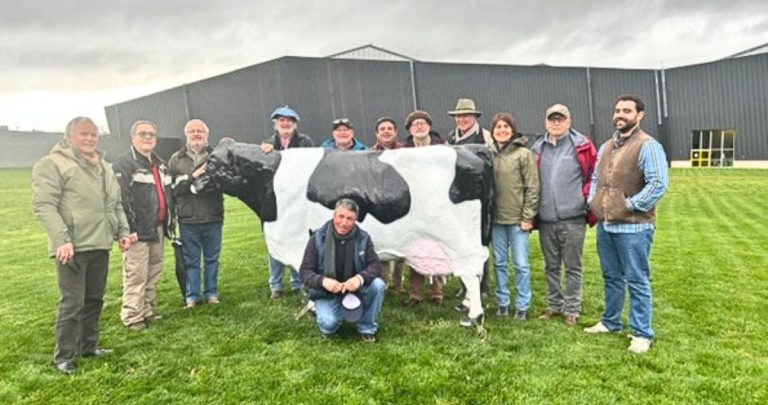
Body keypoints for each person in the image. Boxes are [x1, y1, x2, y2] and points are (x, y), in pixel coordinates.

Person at [32, 116, 132, 374]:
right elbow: (44, 205)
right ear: (69, 137)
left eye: (93, 135)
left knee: (94, 300)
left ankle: (89, 346)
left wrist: (122, 231)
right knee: (72, 303)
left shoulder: (104, 167)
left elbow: (115, 204)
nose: (89, 139)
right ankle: (64, 356)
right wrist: (62, 240)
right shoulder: (53, 164)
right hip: (73, 247)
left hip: (100, 243)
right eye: (83, 134)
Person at [584, 95, 668, 354]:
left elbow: (657, 185)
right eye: (617, 110)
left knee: (637, 279)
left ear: (639, 115)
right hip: (606, 226)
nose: (620, 114)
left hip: (634, 228)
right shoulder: (607, 145)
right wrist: (593, 201)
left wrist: (629, 205)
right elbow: (597, 177)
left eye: (627, 110)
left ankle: (642, 333)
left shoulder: (648, 146)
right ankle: (610, 322)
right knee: (611, 277)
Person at [530, 104, 597, 326]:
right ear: (546, 122)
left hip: (573, 218)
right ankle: (553, 305)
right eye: (552, 119)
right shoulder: (538, 148)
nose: (556, 123)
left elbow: (593, 177)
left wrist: (586, 203)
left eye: (561, 119)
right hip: (546, 218)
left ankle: (572, 308)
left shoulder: (582, 146)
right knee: (551, 266)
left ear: (569, 122)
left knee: (572, 266)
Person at [113, 120, 173, 331]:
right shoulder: (124, 163)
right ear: (133, 138)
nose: (147, 138)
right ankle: (132, 316)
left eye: (151, 134)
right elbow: (121, 199)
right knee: (136, 274)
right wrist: (129, 230)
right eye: (142, 134)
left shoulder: (160, 163)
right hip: (138, 231)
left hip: (157, 227)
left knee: (153, 272)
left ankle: (146, 310)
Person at [299, 199, 385, 342]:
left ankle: (366, 327)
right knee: (328, 326)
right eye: (341, 217)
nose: (344, 223)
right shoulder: (317, 238)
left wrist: (359, 278)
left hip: (355, 289)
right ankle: (328, 309)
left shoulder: (363, 237)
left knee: (378, 285)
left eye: (349, 218)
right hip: (326, 292)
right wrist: (323, 281)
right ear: (334, 216)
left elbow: (376, 265)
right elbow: (305, 272)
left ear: (355, 220)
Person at [487, 113, 539, 320]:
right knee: (499, 263)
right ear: (492, 131)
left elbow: (532, 187)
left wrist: (528, 217)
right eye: (498, 127)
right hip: (496, 221)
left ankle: (522, 305)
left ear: (513, 130)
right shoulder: (488, 153)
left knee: (521, 264)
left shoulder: (523, 154)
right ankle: (502, 302)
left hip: (518, 220)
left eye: (506, 127)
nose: (502, 130)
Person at [168, 119, 224, 308]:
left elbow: (223, 182)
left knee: (211, 259)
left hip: (212, 216)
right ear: (186, 135)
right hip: (188, 218)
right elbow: (173, 188)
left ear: (206, 135)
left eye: (200, 131)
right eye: (192, 131)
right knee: (191, 261)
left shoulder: (217, 155)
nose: (196, 134)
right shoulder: (176, 159)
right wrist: (194, 176)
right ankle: (192, 296)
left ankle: (211, 294)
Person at [259, 106, 314, 299]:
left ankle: (297, 282)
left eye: (289, 120)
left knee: (299, 241)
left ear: (295, 124)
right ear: (275, 123)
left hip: (299, 200)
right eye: (281, 120)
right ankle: (276, 284)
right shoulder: (266, 144)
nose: (285, 123)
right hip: (275, 201)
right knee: (276, 239)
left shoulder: (305, 142)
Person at [446, 97, 493, 300]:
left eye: (466, 115)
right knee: (460, 242)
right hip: (458, 198)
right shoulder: (450, 139)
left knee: (480, 241)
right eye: (459, 116)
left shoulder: (486, 137)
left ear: (474, 117)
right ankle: (464, 284)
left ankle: (482, 285)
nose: (462, 119)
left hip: (480, 196)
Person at [402, 110, 446, 305]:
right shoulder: (402, 151)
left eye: (422, 123)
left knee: (437, 248)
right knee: (415, 249)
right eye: (415, 124)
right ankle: (416, 293)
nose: (419, 127)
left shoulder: (442, 148)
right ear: (410, 129)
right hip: (412, 207)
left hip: (437, 205)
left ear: (429, 126)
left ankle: (437, 291)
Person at [370, 116, 406, 293]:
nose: (386, 131)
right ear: (377, 133)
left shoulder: (405, 152)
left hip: (400, 203)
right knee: (381, 246)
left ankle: (398, 283)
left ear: (395, 132)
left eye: (389, 128)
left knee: (400, 245)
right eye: (382, 128)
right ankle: (382, 283)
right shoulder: (368, 154)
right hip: (378, 206)